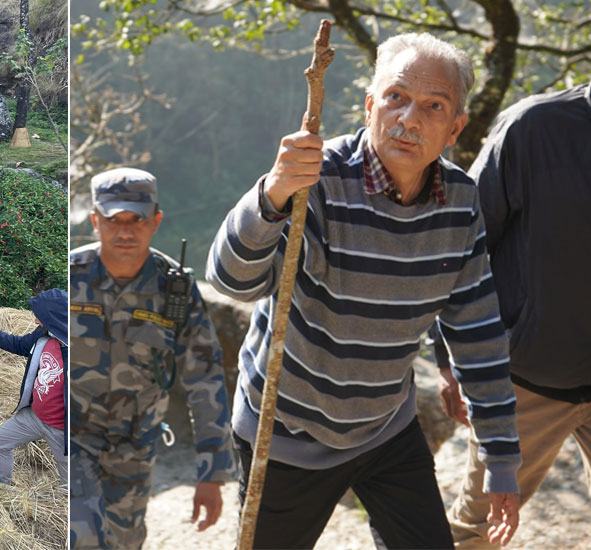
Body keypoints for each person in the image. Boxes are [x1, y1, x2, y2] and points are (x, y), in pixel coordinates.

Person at [205, 33, 521, 548]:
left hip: (384, 427)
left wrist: (502, 460)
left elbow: (478, 334)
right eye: (395, 97)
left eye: (433, 106)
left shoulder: (460, 202)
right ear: (370, 104)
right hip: (285, 432)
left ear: (454, 129)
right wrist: (272, 193)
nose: (409, 119)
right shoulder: (316, 179)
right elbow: (230, 280)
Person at [442, 59, 591, 549]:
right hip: (525, 380)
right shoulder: (533, 126)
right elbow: (462, 243)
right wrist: (449, 361)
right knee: (479, 530)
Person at [70, 168, 232, 549]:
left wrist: (212, 474)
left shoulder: (175, 290)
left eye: (136, 220)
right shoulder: (72, 276)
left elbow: (205, 378)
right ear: (96, 220)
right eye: (114, 220)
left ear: (156, 220)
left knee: (124, 542)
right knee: (83, 535)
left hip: (136, 447)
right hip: (75, 440)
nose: (125, 231)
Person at [0, 289, 68, 486]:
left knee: (69, 482)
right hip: (34, 416)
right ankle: (3, 488)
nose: (35, 321)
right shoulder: (43, 336)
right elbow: (17, 344)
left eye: (39, 318)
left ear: (54, 320)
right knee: (0, 440)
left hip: (63, 430)